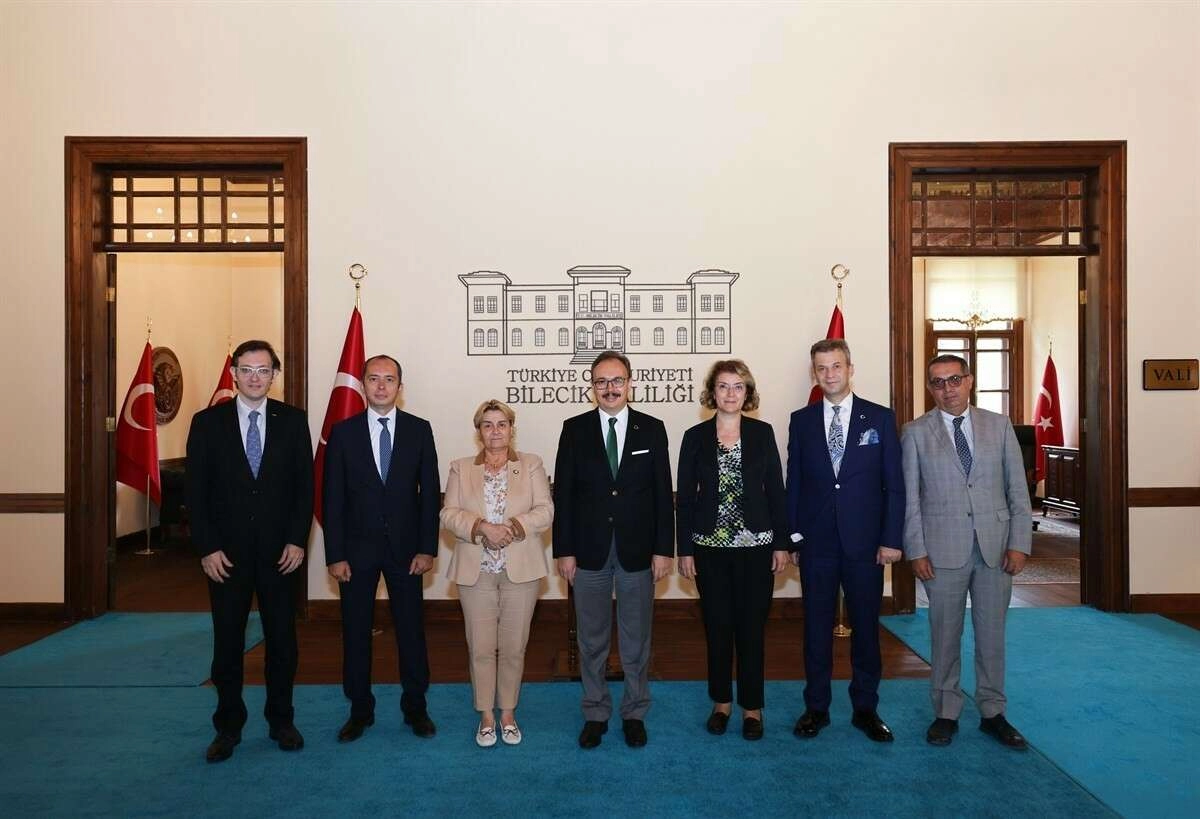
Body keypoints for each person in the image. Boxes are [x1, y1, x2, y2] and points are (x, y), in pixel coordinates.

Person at [185, 339, 313, 763]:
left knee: (282, 643)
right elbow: (196, 493)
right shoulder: (207, 422)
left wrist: (297, 540)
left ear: (274, 375)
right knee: (227, 644)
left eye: (263, 370)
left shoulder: (293, 421)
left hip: (281, 555)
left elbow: (304, 488)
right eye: (247, 369)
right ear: (234, 374)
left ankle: (281, 721)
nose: (255, 377)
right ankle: (228, 727)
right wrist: (207, 547)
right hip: (226, 557)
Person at [901, 353, 1032, 749]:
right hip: (941, 551)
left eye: (954, 379)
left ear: (969, 381)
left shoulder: (999, 425)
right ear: (930, 388)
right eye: (938, 382)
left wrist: (1019, 543)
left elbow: (1017, 490)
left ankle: (993, 712)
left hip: (996, 549)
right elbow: (910, 499)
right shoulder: (915, 432)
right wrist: (916, 550)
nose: (948, 389)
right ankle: (946, 712)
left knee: (992, 636)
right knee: (945, 635)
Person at [553, 350, 674, 749]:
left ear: (630, 383)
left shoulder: (652, 429)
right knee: (591, 640)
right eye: (601, 381)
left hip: (638, 551)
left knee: (636, 639)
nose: (610, 388)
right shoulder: (574, 429)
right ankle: (595, 711)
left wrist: (663, 549)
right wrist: (564, 550)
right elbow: (564, 495)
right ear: (592, 386)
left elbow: (663, 494)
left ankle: (634, 712)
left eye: (617, 380)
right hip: (588, 551)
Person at [786, 338, 904, 743]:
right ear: (814, 373)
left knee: (866, 629)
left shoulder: (880, 418)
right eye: (821, 368)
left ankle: (865, 709)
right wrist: (794, 537)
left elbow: (894, 485)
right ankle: (816, 707)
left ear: (850, 369)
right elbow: (794, 483)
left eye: (836, 366)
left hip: (866, 546)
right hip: (816, 545)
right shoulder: (801, 421)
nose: (830, 374)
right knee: (815, 630)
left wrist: (891, 539)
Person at [323, 354, 440, 742]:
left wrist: (427, 548)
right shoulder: (343, 433)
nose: (381, 386)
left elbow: (429, 495)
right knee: (356, 632)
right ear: (362, 385)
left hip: (408, 552)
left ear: (400, 387)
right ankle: (360, 710)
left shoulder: (419, 430)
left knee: (411, 632)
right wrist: (335, 554)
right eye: (373, 378)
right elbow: (332, 498)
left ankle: (415, 708)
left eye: (389, 379)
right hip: (355, 553)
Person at [676, 360, 790, 740]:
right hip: (708, 549)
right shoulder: (694, 437)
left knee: (752, 630)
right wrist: (685, 549)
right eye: (723, 386)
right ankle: (722, 702)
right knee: (718, 627)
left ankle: (752, 707)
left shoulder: (762, 433)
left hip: (757, 547)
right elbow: (685, 499)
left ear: (747, 393)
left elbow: (776, 491)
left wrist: (781, 543)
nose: (730, 393)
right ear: (712, 392)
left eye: (737, 386)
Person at [440, 399, 553, 747]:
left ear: (511, 429)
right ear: (479, 431)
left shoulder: (531, 464)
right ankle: (487, 715)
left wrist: (514, 526)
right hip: (476, 571)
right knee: (481, 647)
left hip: (522, 570)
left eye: (501, 424)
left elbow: (545, 510)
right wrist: (481, 527)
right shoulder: (460, 468)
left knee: (514, 647)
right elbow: (448, 514)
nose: (495, 431)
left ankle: (508, 713)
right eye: (487, 425)